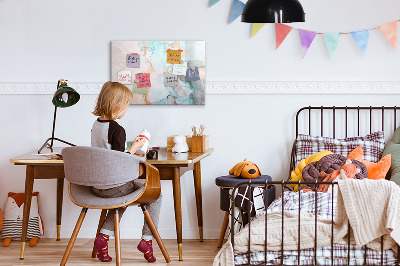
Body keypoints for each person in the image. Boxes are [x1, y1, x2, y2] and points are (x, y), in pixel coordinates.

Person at [91, 81, 161, 263]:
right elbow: (118, 161)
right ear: (117, 105)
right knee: (156, 194)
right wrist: (135, 149)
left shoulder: (96, 125)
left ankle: (103, 238)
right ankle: (147, 240)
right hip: (114, 186)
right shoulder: (117, 129)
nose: (126, 109)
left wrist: (130, 149)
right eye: (126, 105)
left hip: (97, 186)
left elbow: (108, 154)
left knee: (122, 198)